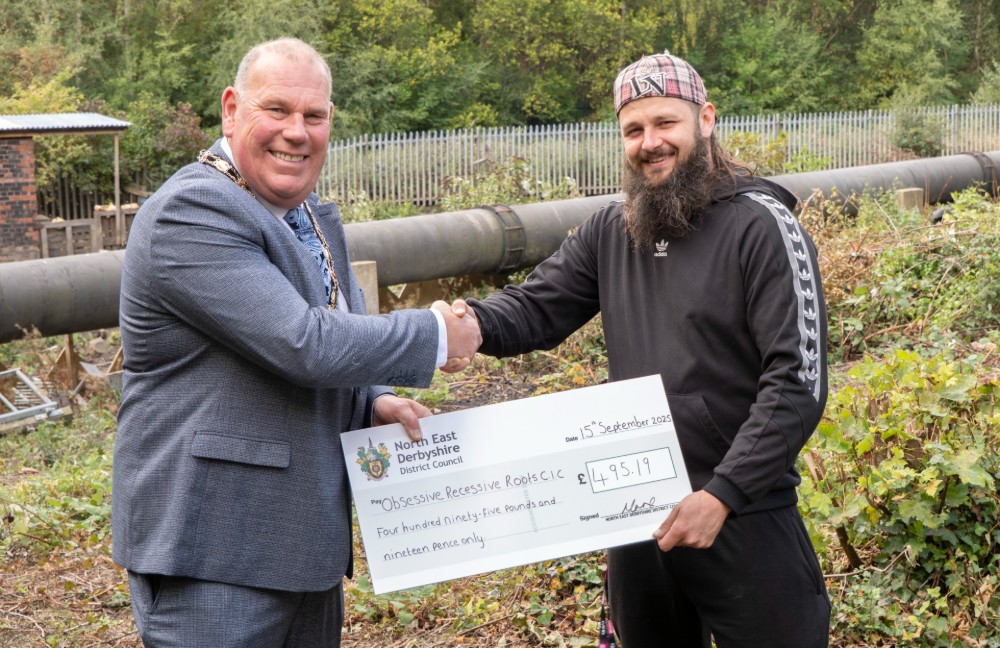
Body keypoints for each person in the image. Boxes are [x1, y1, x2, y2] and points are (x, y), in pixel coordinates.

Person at [112, 37, 480, 647]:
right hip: (214, 553)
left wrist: (371, 401)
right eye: (276, 110)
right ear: (231, 110)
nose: (297, 132)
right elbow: (303, 342)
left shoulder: (304, 212)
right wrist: (439, 332)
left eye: (315, 116)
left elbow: (300, 348)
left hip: (299, 548)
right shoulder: (193, 210)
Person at [454, 51, 831, 647]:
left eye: (665, 124)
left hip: (743, 516)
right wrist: (467, 326)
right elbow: (536, 307)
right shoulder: (615, 228)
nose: (649, 142)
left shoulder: (761, 226)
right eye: (634, 129)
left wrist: (723, 494)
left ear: (705, 119)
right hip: (639, 518)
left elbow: (797, 381)